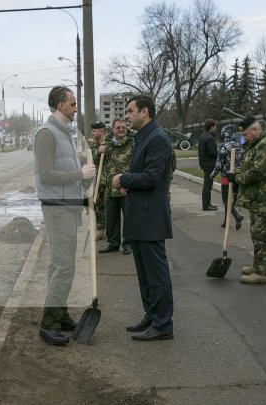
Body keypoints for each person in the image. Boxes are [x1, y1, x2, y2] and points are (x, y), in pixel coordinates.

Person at [34, 85, 96, 346]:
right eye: (72, 104)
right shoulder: (46, 134)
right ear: (60, 105)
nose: (75, 108)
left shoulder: (65, 134)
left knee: (60, 264)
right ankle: (48, 324)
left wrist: (81, 169)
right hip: (57, 207)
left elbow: (65, 168)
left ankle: (59, 314)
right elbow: (46, 175)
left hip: (68, 206)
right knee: (63, 266)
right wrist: (79, 175)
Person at [111, 94, 174, 341]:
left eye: (130, 111)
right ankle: (151, 315)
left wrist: (123, 179)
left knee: (156, 274)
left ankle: (163, 324)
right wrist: (129, 185)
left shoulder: (158, 138)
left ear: (144, 112)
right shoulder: (143, 137)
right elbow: (143, 173)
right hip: (139, 216)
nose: (127, 116)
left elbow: (152, 177)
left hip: (150, 218)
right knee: (145, 273)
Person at [227, 116, 266, 284]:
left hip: (263, 200)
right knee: (257, 235)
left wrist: (237, 178)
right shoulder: (256, 145)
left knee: (261, 236)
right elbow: (249, 166)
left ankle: (262, 273)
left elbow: (258, 172)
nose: (245, 138)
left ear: (255, 130)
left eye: (246, 135)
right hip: (256, 199)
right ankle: (258, 266)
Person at [99, 118, 134, 255]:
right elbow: (94, 159)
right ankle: (113, 243)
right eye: (118, 127)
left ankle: (128, 244)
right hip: (110, 189)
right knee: (111, 219)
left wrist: (128, 185)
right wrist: (99, 151)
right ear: (113, 129)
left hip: (126, 188)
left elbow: (136, 165)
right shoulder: (106, 144)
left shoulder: (132, 144)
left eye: (123, 128)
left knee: (129, 218)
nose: (121, 130)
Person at [210, 124, 244, 230]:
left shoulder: (224, 146)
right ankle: (226, 221)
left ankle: (237, 216)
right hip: (237, 177)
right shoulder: (240, 145)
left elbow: (219, 163)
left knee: (225, 200)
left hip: (226, 176)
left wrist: (212, 174)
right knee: (232, 200)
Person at [90, 121, 108, 241]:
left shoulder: (111, 143)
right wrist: (98, 152)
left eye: (94, 131)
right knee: (98, 205)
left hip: (110, 180)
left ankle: (112, 232)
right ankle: (101, 230)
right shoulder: (94, 146)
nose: (92, 133)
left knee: (111, 207)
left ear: (101, 131)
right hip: (98, 180)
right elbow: (92, 160)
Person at [198, 119, 219, 211]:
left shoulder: (203, 136)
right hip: (209, 164)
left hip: (204, 163)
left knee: (208, 185)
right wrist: (219, 152)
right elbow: (212, 153)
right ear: (211, 127)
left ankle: (208, 203)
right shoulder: (209, 138)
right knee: (207, 186)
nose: (215, 128)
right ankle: (206, 205)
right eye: (214, 126)